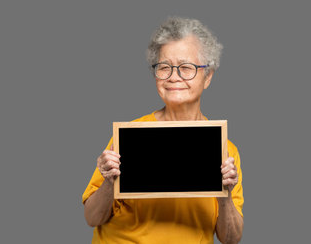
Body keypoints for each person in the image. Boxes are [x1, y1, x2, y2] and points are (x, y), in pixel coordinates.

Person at [82, 17, 244, 244]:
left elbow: (231, 238)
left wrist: (225, 194)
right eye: (164, 67)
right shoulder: (129, 137)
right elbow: (92, 217)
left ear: (207, 76)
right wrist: (109, 182)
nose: (173, 76)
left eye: (186, 68)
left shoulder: (225, 149)